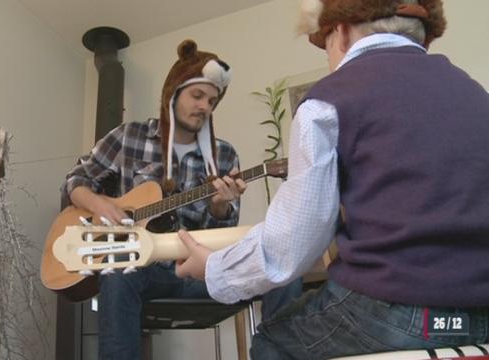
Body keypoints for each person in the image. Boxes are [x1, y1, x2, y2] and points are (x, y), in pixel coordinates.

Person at [175, 0, 489, 359]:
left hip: (400, 312)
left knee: (274, 338)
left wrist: (215, 269)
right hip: (482, 312)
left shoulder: (331, 97)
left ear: (340, 31)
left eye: (324, 46)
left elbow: (294, 244)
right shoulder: (475, 92)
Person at [61, 39, 246, 359]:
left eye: (212, 101)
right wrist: (100, 204)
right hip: (139, 270)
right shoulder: (129, 136)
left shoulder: (224, 156)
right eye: (197, 95)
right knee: (118, 271)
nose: (204, 106)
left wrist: (219, 206)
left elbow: (222, 234)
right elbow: (75, 181)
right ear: (173, 93)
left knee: (277, 272)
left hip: (196, 271)